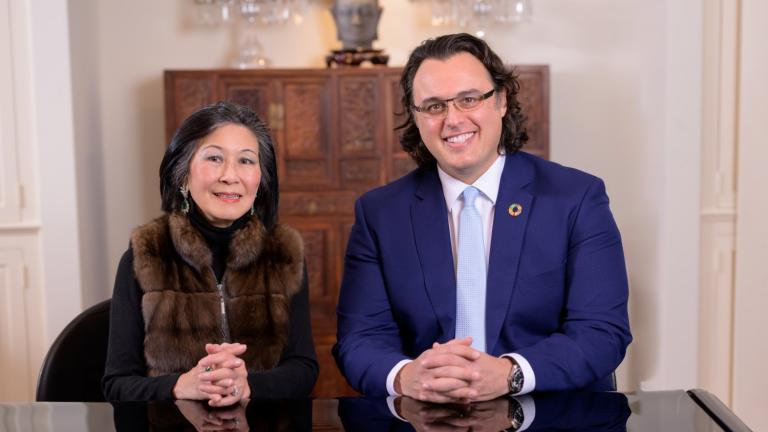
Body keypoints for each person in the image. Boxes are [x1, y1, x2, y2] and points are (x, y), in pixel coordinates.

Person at [333, 33, 632, 403]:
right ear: (415, 117)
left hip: (553, 413)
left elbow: (602, 333)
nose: (453, 119)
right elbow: (359, 339)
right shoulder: (380, 213)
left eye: (469, 99)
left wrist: (511, 373)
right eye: (433, 106)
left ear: (502, 101)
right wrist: (407, 377)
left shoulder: (576, 198)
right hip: (428, 416)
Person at [103, 102, 318, 405]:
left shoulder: (282, 254)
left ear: (262, 179)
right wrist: (183, 386)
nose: (230, 175)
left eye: (246, 161)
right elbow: (117, 384)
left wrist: (247, 384)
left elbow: (304, 369)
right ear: (182, 175)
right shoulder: (147, 254)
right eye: (214, 158)